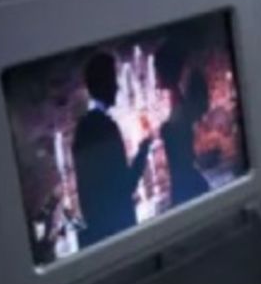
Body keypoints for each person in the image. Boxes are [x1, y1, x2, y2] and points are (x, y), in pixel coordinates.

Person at [72, 50, 155, 249]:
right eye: (113, 80)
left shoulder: (82, 129)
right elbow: (124, 186)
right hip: (120, 232)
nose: (118, 87)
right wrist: (144, 150)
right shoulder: (106, 128)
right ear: (103, 84)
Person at [153, 39, 213, 208]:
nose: (156, 77)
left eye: (157, 70)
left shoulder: (181, 108)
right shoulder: (179, 100)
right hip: (185, 184)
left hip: (185, 185)